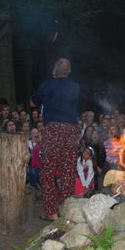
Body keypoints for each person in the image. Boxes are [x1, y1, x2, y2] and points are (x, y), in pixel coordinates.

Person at [30, 57, 80, 221]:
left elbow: (32, 102)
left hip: (53, 130)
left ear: (54, 70)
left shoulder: (48, 85)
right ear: (69, 72)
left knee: (48, 171)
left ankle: (51, 211)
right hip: (72, 130)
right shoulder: (75, 87)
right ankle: (67, 211)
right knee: (68, 171)